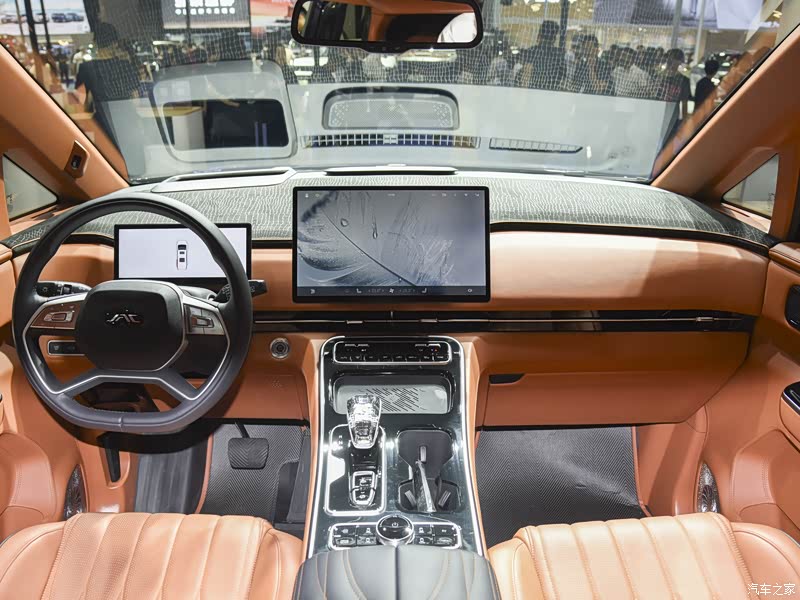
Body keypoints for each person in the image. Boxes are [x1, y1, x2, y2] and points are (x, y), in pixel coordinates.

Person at [516, 20, 566, 90]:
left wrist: (524, 92)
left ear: (539, 36)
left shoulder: (532, 51)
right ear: (554, 39)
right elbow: (563, 80)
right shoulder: (559, 54)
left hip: (533, 91)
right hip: (552, 92)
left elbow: (527, 74)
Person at [657, 48, 691, 119]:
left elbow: (684, 103)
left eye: (675, 59)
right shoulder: (658, 77)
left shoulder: (683, 80)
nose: (671, 61)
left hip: (672, 117)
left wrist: (684, 120)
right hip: (657, 113)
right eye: (670, 58)